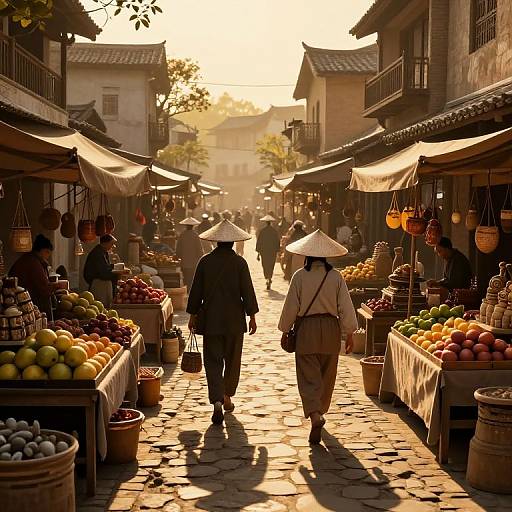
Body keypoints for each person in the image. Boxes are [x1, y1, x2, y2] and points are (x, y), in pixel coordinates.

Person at [278, 229, 357, 444]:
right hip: (331, 330)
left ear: (306, 255)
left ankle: (315, 414)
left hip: (307, 331)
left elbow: (291, 307)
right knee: (327, 375)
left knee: (307, 375)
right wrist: (349, 333)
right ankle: (320, 411)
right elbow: (346, 308)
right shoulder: (336, 277)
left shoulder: (300, 277)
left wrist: (285, 329)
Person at [187, 219, 259, 425]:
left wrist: (192, 315)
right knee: (233, 361)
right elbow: (248, 292)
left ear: (216, 242)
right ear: (234, 242)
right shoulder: (240, 263)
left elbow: (196, 292)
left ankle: (217, 400)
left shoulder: (205, 262)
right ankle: (227, 395)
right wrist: (252, 316)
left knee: (213, 361)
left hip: (211, 321)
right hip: (235, 321)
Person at [9, 234, 57, 317]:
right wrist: (57, 286)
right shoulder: (33, 263)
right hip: (24, 301)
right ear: (42, 250)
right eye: (47, 252)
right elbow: (43, 288)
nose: (48, 256)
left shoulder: (31, 259)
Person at [83, 234, 122, 307]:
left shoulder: (104, 252)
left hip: (103, 283)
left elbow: (106, 267)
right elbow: (103, 272)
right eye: (111, 244)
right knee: (100, 305)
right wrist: (117, 275)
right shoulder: (97, 253)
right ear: (105, 243)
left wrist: (116, 267)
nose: (113, 246)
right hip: (99, 284)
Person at [175, 217, 204, 290]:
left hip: (184, 261)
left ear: (186, 226)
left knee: (185, 278)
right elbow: (200, 250)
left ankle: (187, 290)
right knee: (192, 278)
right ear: (193, 226)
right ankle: (190, 292)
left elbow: (178, 249)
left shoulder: (182, 235)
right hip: (194, 262)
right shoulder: (195, 235)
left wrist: (178, 256)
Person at [256, 215, 280, 290]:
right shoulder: (274, 231)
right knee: (271, 265)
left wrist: (258, 253)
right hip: (272, 252)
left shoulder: (262, 231)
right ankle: (269, 277)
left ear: (266, 223)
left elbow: (259, 242)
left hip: (264, 252)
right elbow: (277, 241)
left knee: (265, 265)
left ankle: (267, 278)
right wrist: (277, 251)